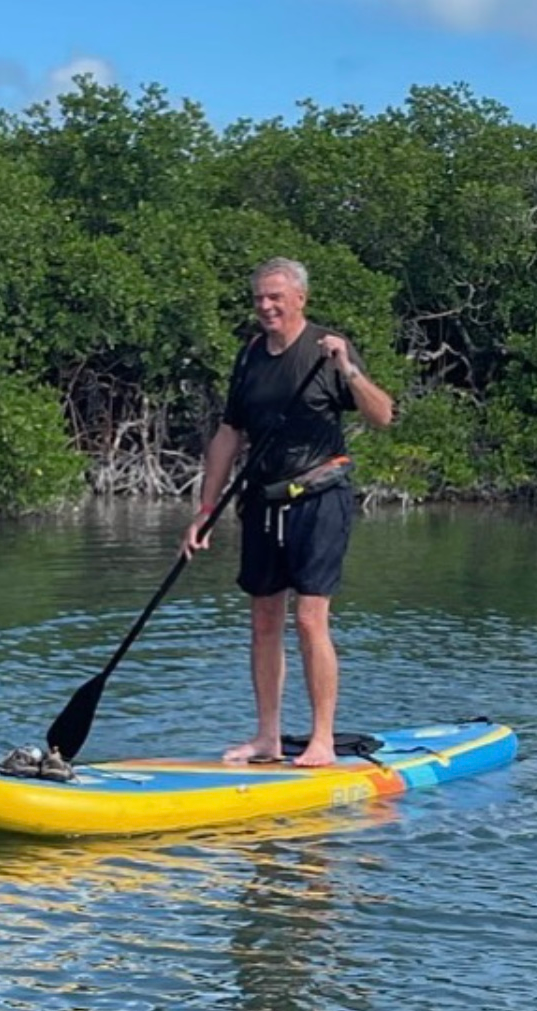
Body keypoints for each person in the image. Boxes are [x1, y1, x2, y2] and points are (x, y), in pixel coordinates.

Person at [182, 257, 394, 766]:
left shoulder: (327, 351)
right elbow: (229, 434)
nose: (265, 305)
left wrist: (348, 369)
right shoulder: (250, 355)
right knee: (263, 619)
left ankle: (321, 740)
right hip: (262, 501)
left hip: (320, 498)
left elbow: (384, 415)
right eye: (258, 297)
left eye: (275, 296)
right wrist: (205, 510)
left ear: (300, 298)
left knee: (309, 618)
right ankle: (267, 738)